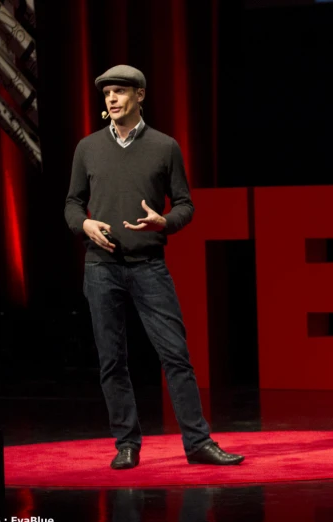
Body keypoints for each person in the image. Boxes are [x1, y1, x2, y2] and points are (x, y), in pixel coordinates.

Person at [64, 64, 244, 470]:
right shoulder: (87, 147)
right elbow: (72, 203)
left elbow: (185, 205)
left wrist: (165, 221)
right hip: (101, 267)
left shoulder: (165, 147)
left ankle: (197, 442)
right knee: (112, 360)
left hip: (149, 266)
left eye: (120, 91)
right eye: (106, 92)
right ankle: (126, 443)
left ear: (140, 95)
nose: (111, 98)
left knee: (175, 355)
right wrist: (85, 225)